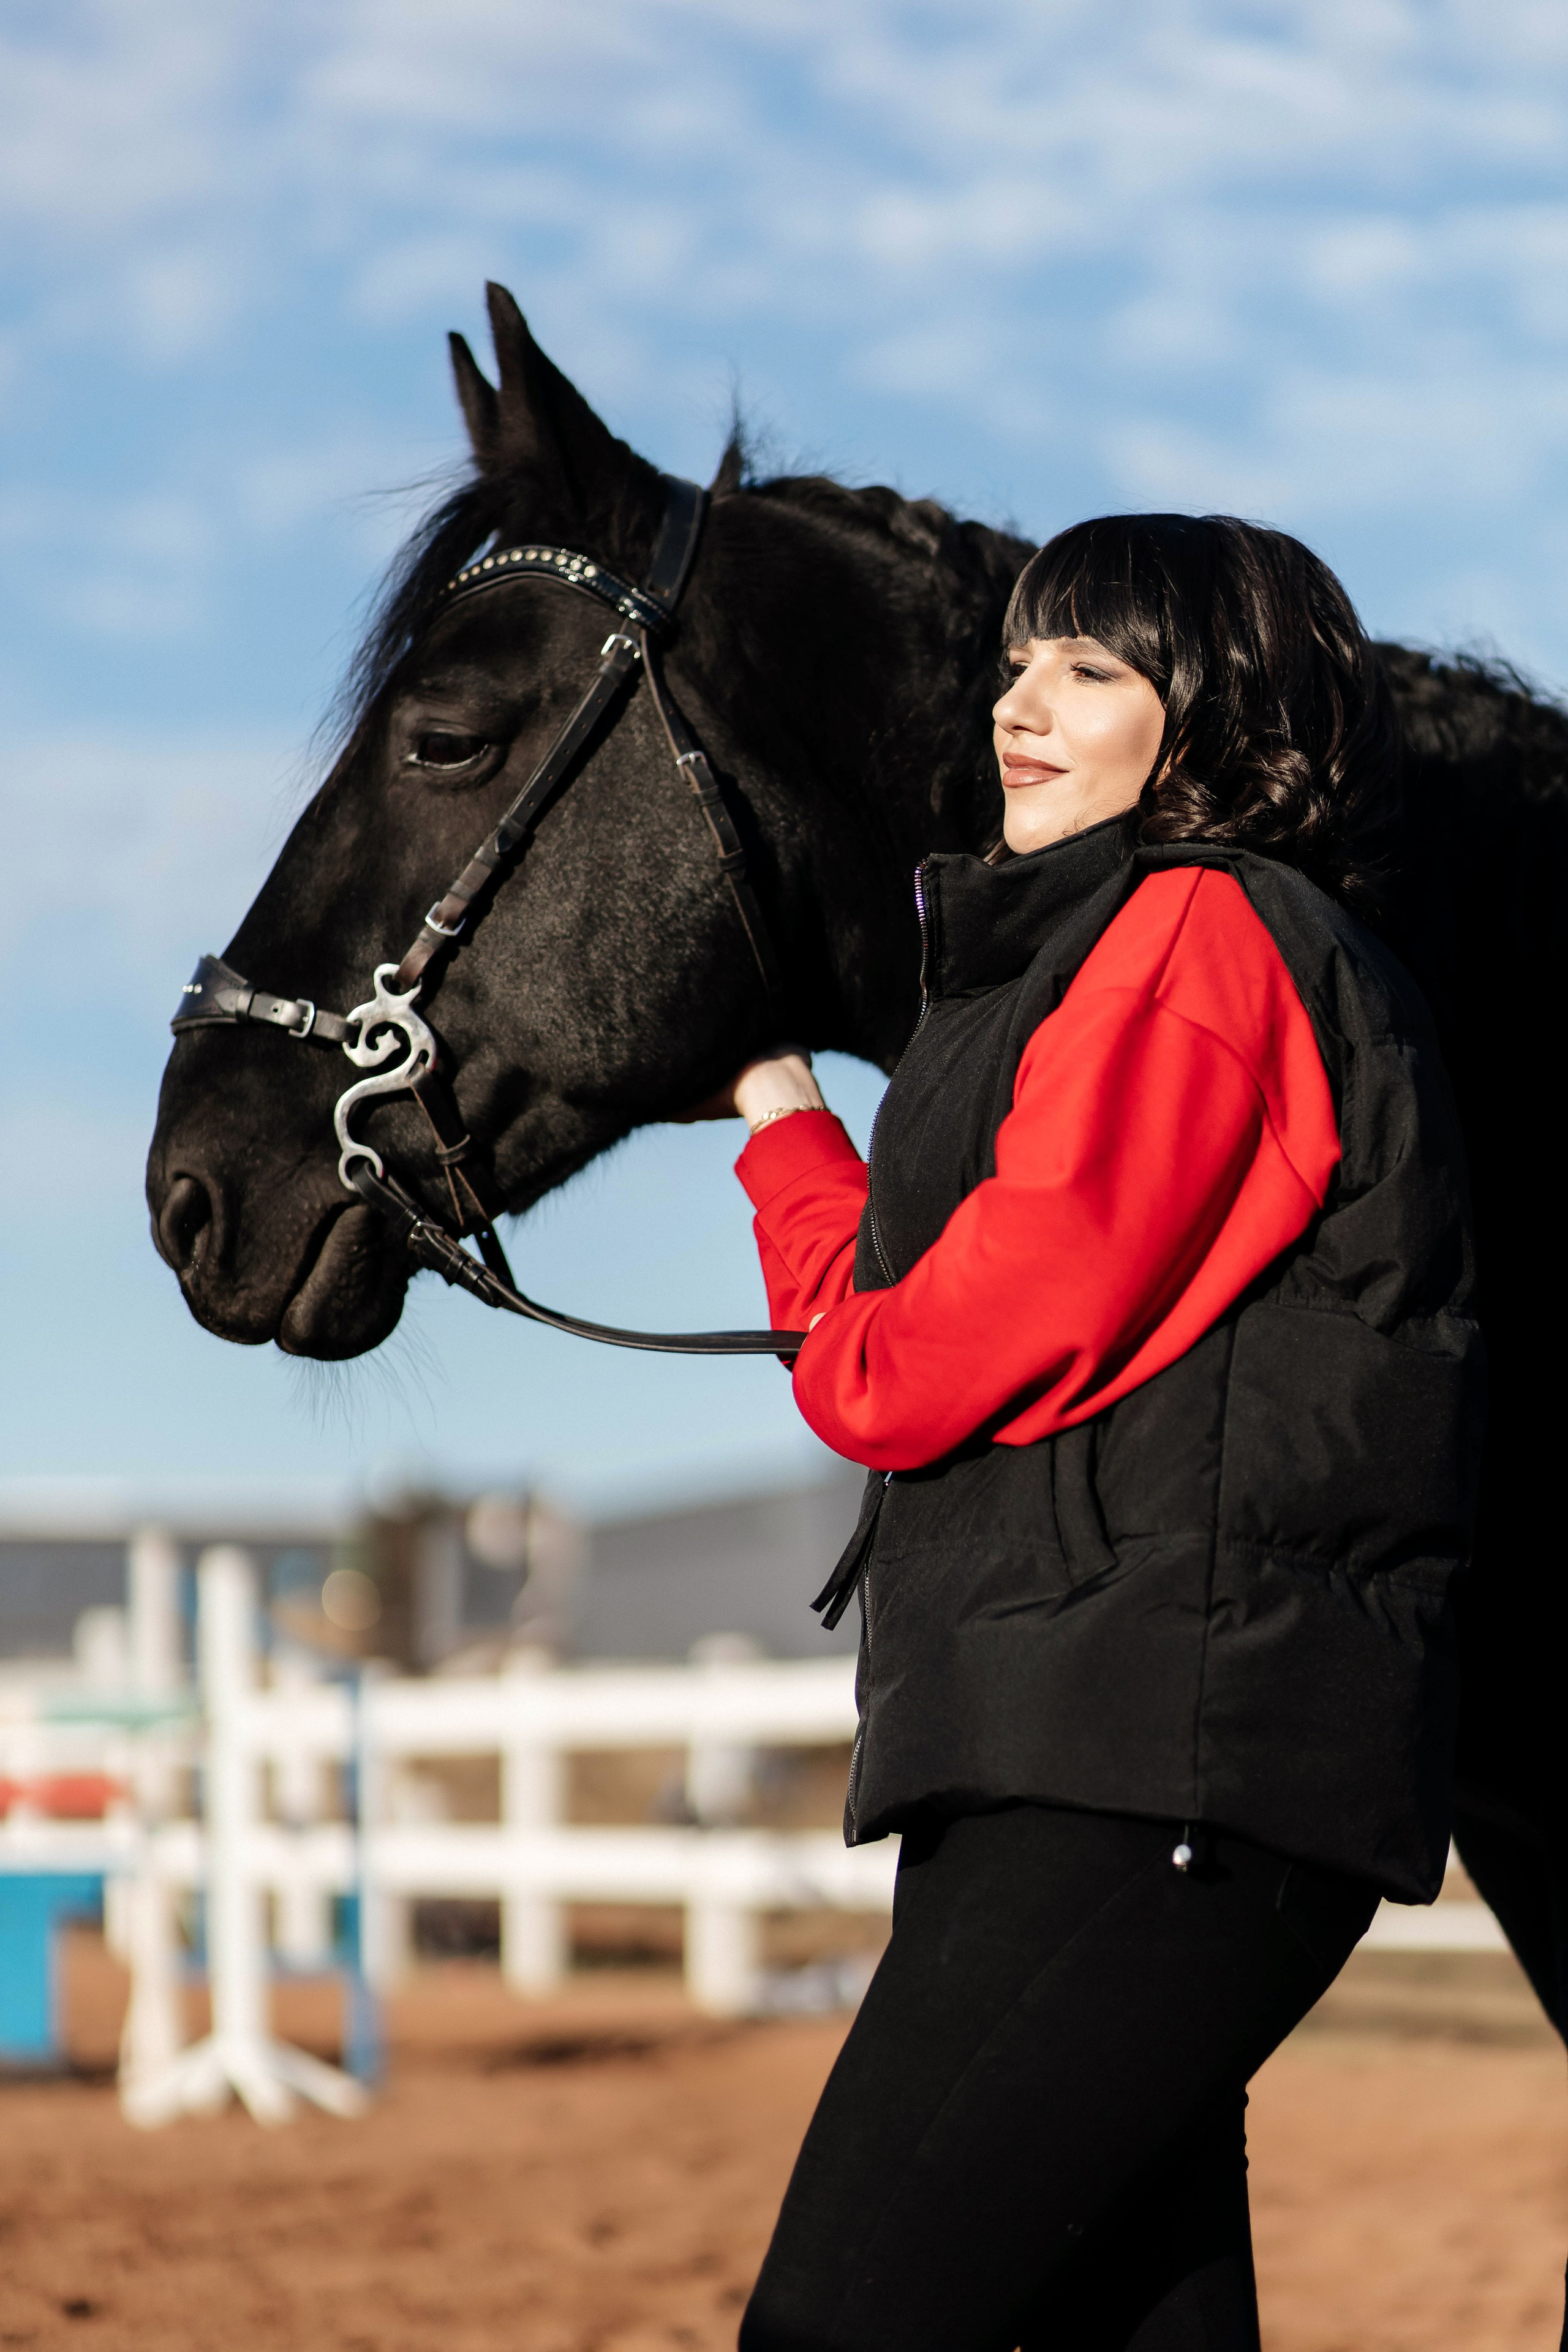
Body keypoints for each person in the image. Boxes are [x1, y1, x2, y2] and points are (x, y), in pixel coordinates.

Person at [709, 515, 1484, 2352]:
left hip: (1155, 1765)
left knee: (839, 2327)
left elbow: (925, 1357)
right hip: (1082, 1749)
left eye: (1093, 671)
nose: (1019, 709)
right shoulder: (1079, 960)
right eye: (1017, 663)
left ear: (1216, 722)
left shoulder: (1199, 935)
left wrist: (799, 1186)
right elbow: (921, 1298)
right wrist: (779, 1116)